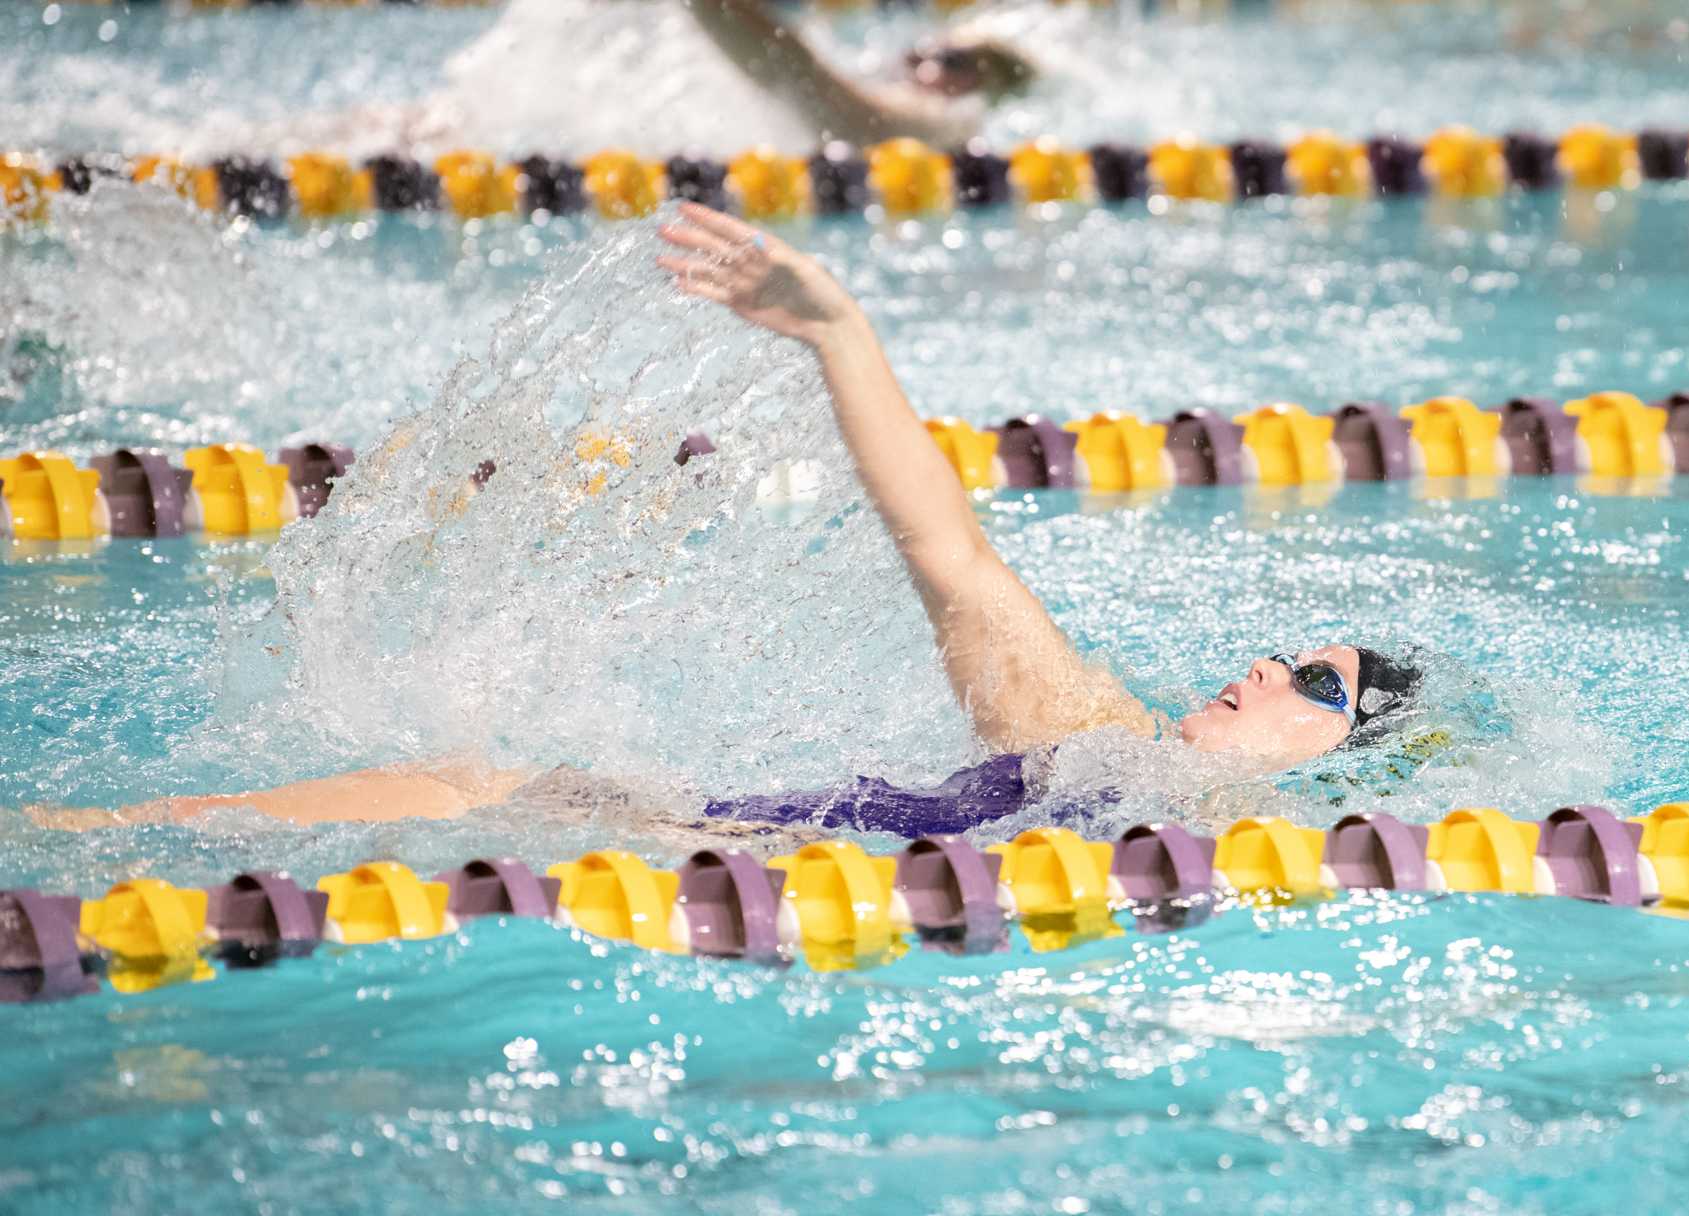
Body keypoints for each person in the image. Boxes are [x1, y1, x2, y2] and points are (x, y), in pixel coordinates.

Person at [30, 205, 1422, 837]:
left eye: (1313, 684)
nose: (1260, 668)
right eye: (1284, 651)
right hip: (639, 832)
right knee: (454, 782)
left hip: (647, 863)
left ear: (1349, 766)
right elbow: (952, 553)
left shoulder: (1262, 850)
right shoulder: (1094, 735)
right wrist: (838, 333)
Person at [684, 0, 1036, 149]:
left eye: (950, 59)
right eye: (920, 51)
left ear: (986, 82)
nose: (921, 62)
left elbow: (850, 114)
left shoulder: (953, 119)